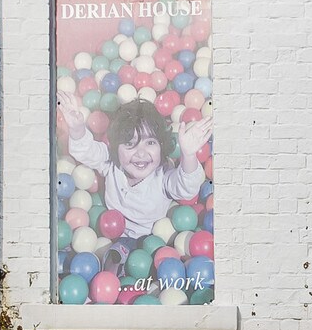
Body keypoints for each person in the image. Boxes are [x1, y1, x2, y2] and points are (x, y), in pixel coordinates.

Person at [57, 94, 210, 237]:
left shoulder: (163, 176)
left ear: (162, 146)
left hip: (153, 240)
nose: (141, 153)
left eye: (150, 142)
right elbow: (87, 151)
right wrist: (77, 129)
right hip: (110, 234)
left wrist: (189, 155)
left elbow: (186, 188)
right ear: (116, 148)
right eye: (130, 144)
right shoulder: (112, 164)